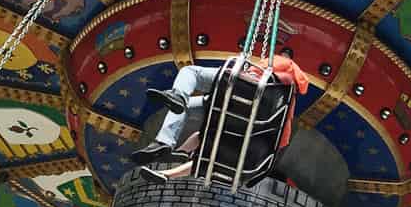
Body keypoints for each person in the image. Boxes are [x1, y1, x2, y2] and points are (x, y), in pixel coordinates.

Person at [130, 49, 310, 167]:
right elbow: (284, 132)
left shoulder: (279, 64)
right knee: (188, 107)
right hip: (240, 109)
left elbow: (256, 73)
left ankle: (176, 103)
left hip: (236, 89)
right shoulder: (287, 97)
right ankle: (165, 143)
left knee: (190, 72)